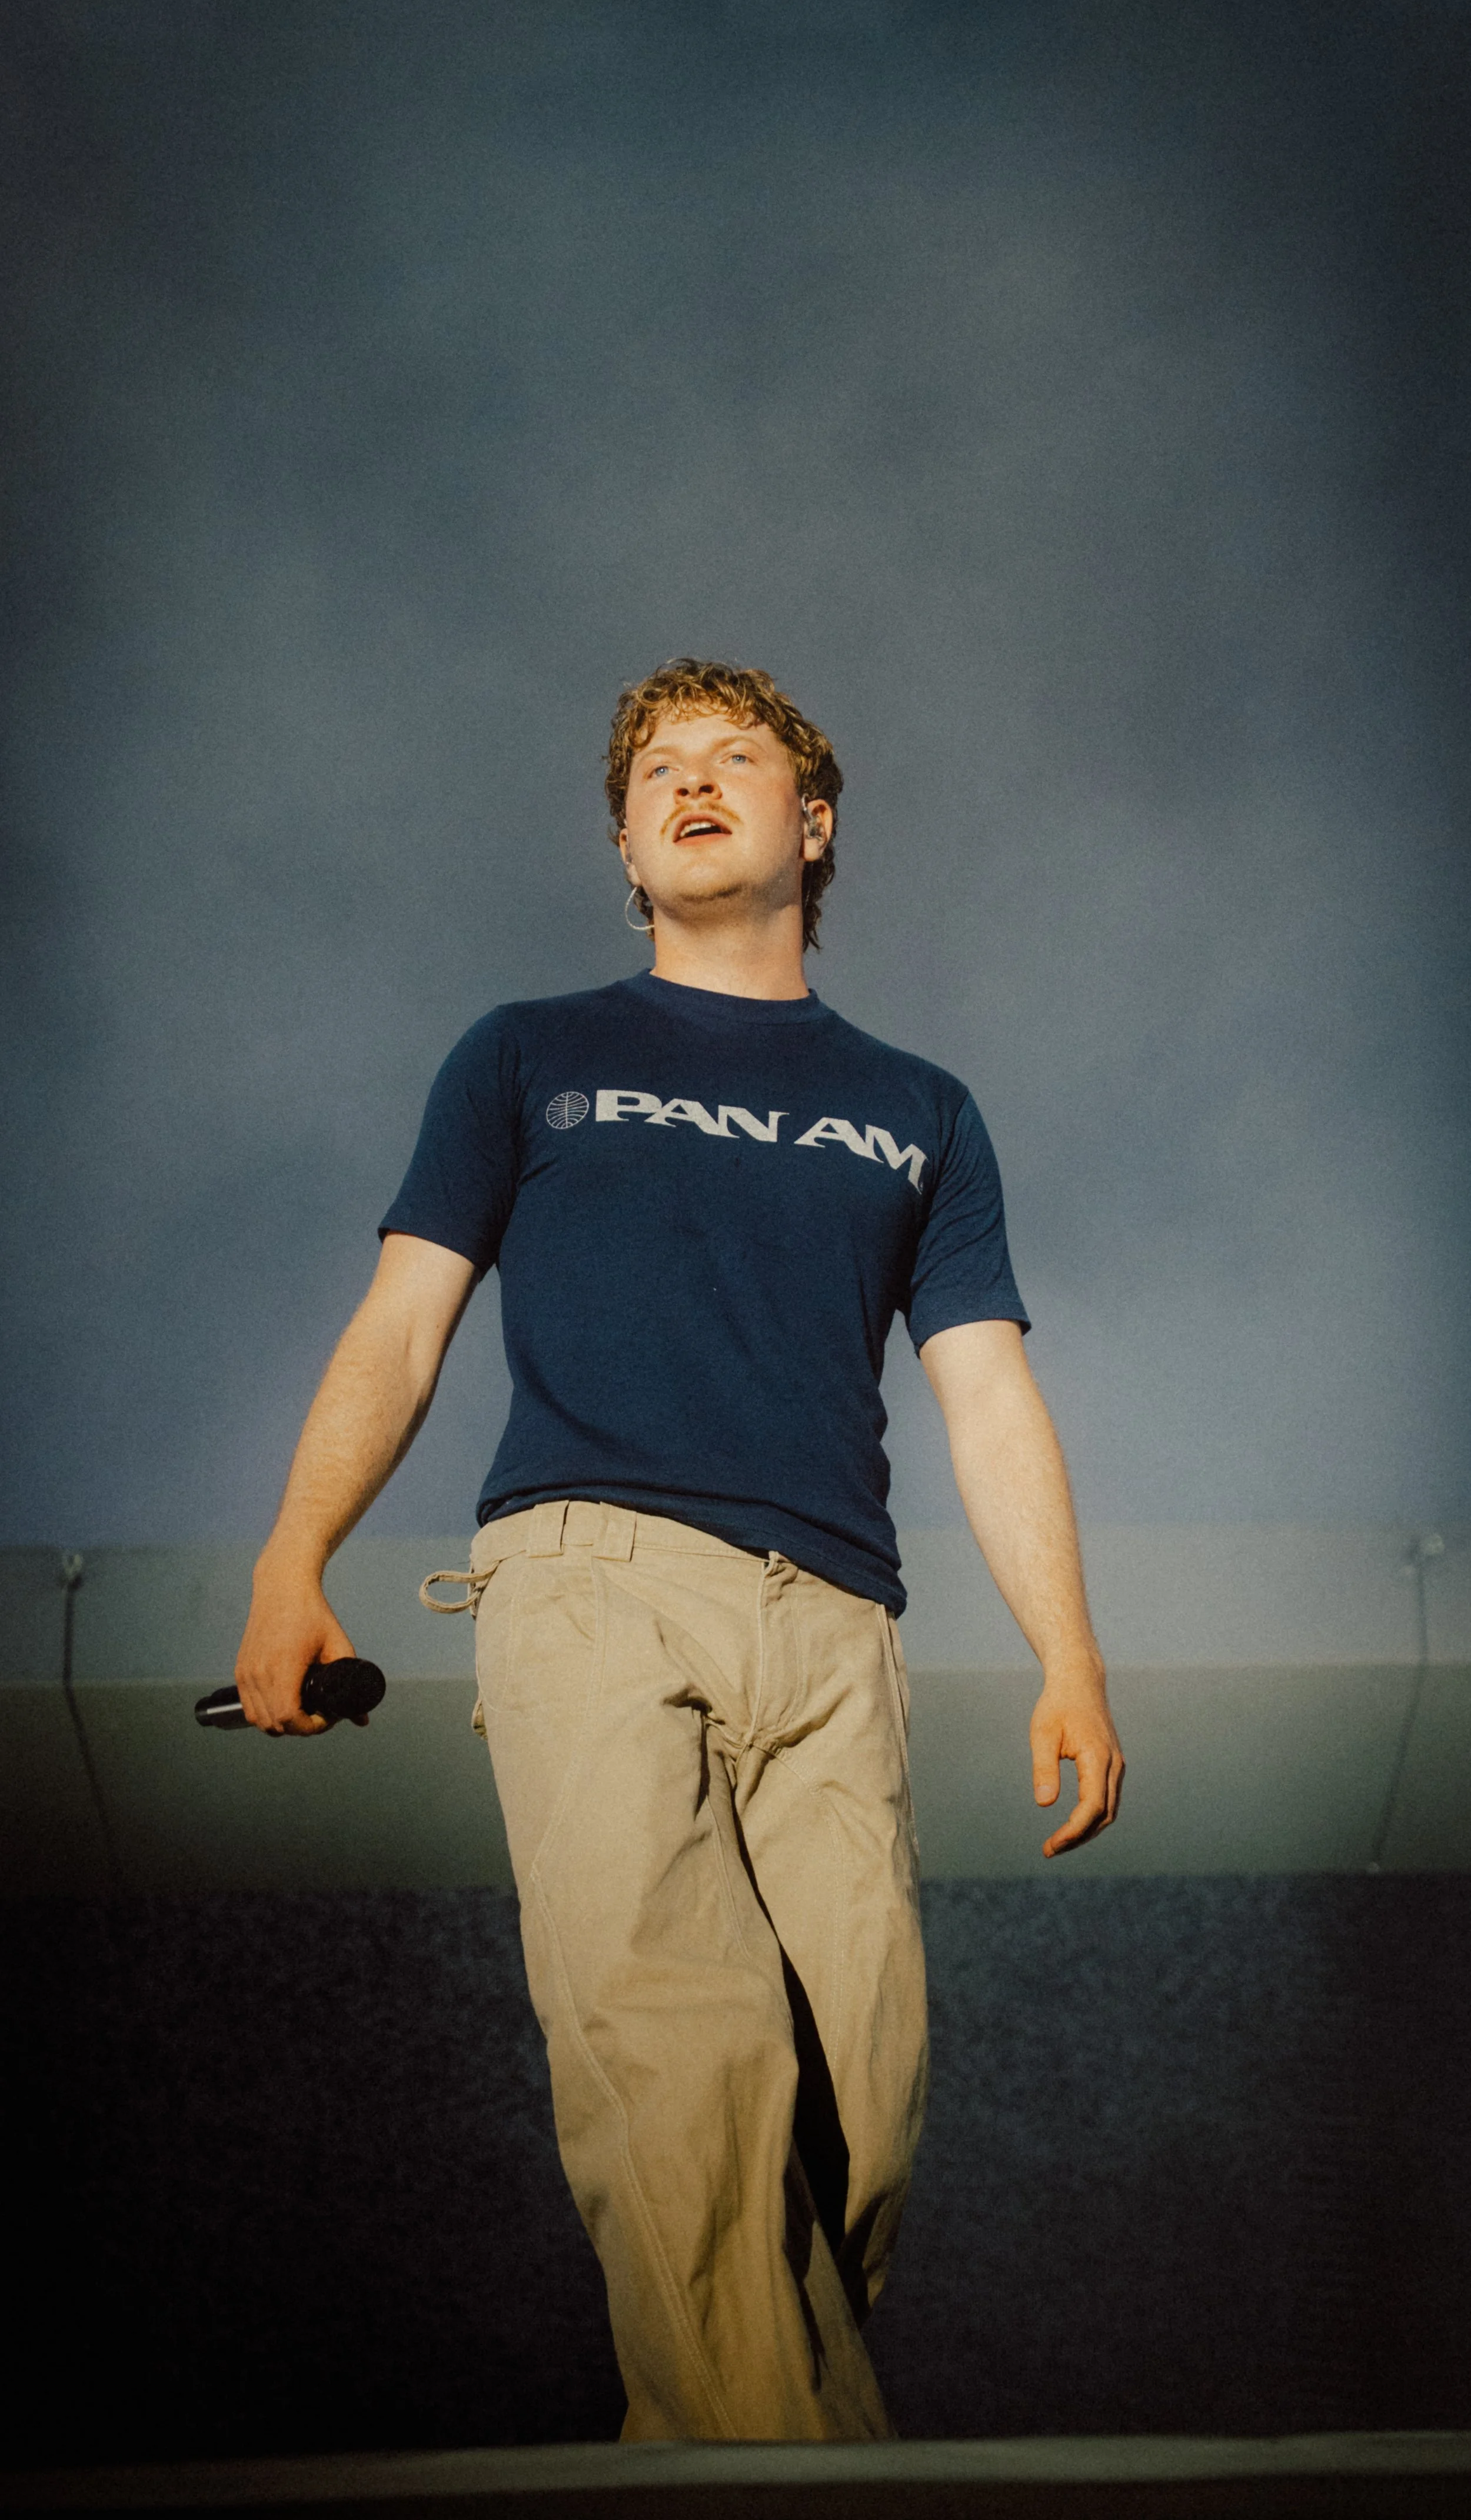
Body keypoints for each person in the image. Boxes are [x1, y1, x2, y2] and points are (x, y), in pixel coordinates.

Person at [235, 656, 1124, 2444]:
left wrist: (1071, 1654)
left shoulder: (921, 1108)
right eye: (655, 769)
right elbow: (401, 1325)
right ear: (628, 850)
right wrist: (291, 1556)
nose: (691, 780)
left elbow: (987, 1394)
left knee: (855, 2107)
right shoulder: (529, 1054)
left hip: (836, 1629)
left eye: (735, 756)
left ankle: (700, 2450)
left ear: (816, 821)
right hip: (590, 1586)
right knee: (683, 2072)